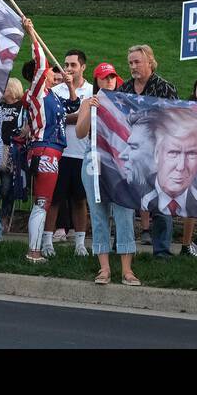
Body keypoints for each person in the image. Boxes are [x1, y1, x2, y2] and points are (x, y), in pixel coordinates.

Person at [114, 43, 178, 258]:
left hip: (158, 154)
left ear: (150, 62)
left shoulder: (164, 88)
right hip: (130, 153)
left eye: (137, 62)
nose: (133, 66)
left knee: (160, 203)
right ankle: (121, 246)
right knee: (125, 201)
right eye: (130, 62)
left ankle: (161, 252)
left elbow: (174, 120)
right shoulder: (123, 90)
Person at [75, 90, 139, 285]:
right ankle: (104, 268)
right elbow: (80, 132)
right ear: (98, 82)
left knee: (124, 212)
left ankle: (127, 270)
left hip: (119, 158)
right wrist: (90, 110)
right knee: (98, 212)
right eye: (104, 78)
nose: (108, 81)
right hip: (94, 158)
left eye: (112, 77)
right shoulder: (89, 101)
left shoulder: (123, 102)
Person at [22, 20, 69, 263]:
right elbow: (41, 62)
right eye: (51, 71)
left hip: (50, 150)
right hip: (45, 151)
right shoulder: (37, 90)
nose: (53, 72)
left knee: (43, 201)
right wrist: (32, 34)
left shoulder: (50, 95)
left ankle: (35, 247)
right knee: (42, 202)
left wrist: (70, 87)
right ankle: (33, 251)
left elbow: (70, 108)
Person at [53, 49, 93, 256]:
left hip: (82, 152)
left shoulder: (91, 90)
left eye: (73, 65)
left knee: (80, 200)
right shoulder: (57, 90)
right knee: (55, 199)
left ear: (83, 67)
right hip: (59, 151)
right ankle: (47, 242)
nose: (68, 69)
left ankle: (79, 243)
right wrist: (79, 114)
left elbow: (86, 117)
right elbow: (54, 117)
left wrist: (69, 115)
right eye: (66, 65)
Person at [0, 78, 25, 237]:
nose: (2, 91)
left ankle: (4, 220)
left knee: (7, 187)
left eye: (5, 88)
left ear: (13, 89)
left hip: (10, 150)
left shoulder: (21, 107)